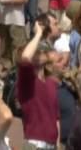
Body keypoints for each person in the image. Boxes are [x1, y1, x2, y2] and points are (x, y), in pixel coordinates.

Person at [16, 21, 60, 150]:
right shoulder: (26, 80)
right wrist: (38, 34)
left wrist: (57, 144)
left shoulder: (51, 83)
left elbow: (56, 118)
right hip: (34, 144)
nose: (40, 52)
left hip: (51, 144)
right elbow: (25, 58)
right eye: (36, 51)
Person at [0, 0, 29, 66]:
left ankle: (17, 71)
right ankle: (6, 72)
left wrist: (9, 2)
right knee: (4, 48)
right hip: (2, 20)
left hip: (17, 20)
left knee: (18, 48)